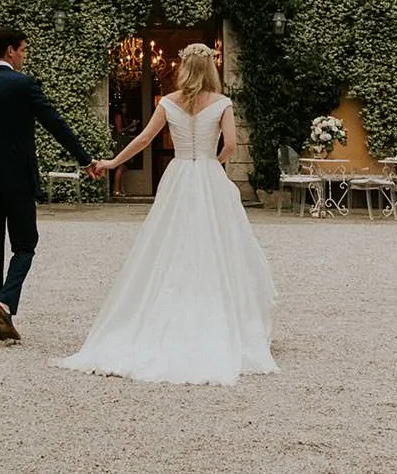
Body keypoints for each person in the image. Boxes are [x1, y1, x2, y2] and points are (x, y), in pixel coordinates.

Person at [61, 43, 276, 386]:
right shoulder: (222, 104)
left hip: (178, 176)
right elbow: (232, 145)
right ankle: (220, 314)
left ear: (183, 68)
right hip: (206, 173)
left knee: (169, 241)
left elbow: (145, 138)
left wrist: (113, 162)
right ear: (211, 69)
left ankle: (164, 311)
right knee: (218, 243)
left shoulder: (168, 103)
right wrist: (211, 164)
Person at [0, 24, 95, 343]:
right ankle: (4, 305)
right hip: (18, 180)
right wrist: (85, 159)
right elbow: (55, 123)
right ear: (10, 50)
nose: (24, 57)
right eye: (23, 50)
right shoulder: (24, 84)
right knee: (25, 245)